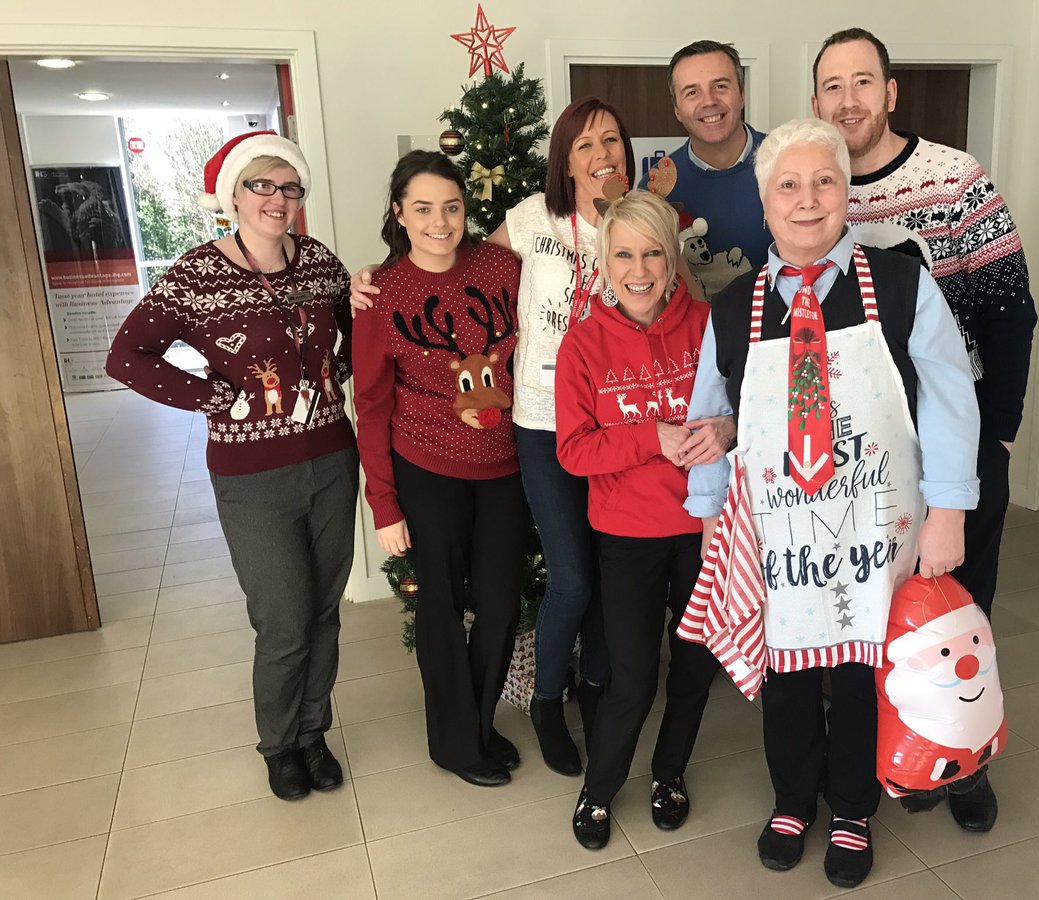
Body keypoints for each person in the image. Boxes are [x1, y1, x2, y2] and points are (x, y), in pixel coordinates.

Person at [349, 98, 730, 777]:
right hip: (541, 425)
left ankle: (598, 689)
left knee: (610, 581)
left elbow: (682, 307)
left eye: (611, 140)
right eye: (582, 144)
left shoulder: (644, 223)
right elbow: (443, 263)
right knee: (575, 579)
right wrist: (369, 282)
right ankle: (549, 700)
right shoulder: (528, 223)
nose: (600, 154)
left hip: (626, 428)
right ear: (562, 158)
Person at [682, 119, 979, 888]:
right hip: (777, 536)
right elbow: (708, 410)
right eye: (789, 185)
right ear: (765, 199)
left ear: (848, 193)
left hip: (876, 528)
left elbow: (950, 400)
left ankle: (850, 809)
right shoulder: (732, 308)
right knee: (785, 672)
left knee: (856, 672)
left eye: (824, 183)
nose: (807, 201)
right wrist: (710, 513)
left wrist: (949, 510)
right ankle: (792, 800)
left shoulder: (904, 284)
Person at [812, 26, 1038, 833]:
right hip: (856, 451)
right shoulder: (816, 183)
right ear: (816, 100)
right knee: (862, 611)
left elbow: (1011, 310)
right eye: (833, 85)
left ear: (890, 91)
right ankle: (866, 764)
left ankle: (964, 760)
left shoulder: (954, 180)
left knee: (961, 604)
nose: (849, 100)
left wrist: (999, 436)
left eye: (863, 81)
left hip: (959, 439)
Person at [106, 131, 357, 802]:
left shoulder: (321, 264)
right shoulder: (196, 274)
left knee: (326, 611)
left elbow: (351, 336)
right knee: (283, 617)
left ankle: (312, 733)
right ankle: (279, 746)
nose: (277, 200)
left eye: (289, 187)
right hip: (252, 476)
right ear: (235, 195)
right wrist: (214, 395)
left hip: (333, 458)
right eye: (262, 185)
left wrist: (332, 376)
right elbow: (127, 355)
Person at [352, 150, 528, 787]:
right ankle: (455, 743)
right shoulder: (380, 295)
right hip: (426, 468)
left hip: (506, 467)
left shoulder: (501, 267)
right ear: (399, 214)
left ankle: (480, 722)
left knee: (502, 604)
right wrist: (384, 505)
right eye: (423, 208)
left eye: (451, 207)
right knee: (442, 611)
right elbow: (369, 403)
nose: (439, 221)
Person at [555, 190, 720, 850]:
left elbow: (748, 413)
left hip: (705, 531)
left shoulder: (709, 324)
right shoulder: (584, 344)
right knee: (632, 679)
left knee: (694, 665)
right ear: (605, 261)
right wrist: (653, 434)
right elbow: (572, 450)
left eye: (653, 251)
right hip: (627, 536)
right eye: (624, 253)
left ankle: (670, 774)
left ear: (673, 256)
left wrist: (725, 431)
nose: (640, 267)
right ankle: (599, 788)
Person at [639, 40, 772, 299]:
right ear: (677, 109)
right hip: (696, 336)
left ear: (742, 93)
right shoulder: (656, 187)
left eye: (720, 86)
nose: (709, 101)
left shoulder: (788, 161)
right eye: (692, 92)